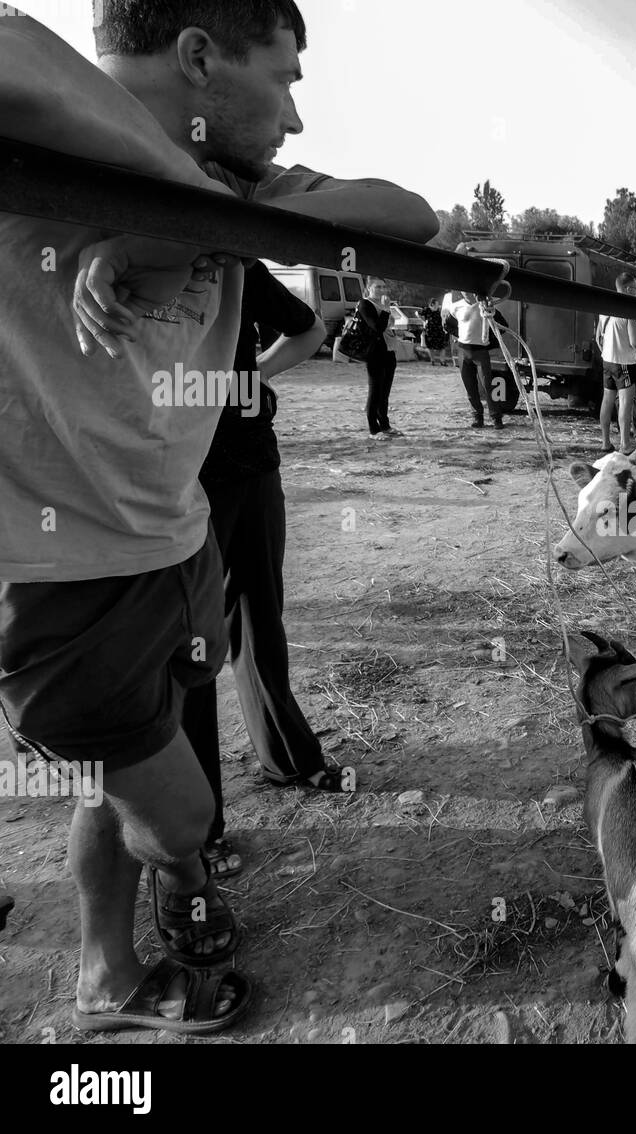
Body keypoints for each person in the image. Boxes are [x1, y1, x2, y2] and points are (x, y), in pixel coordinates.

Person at [0, 1, 438, 1036]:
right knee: (187, 815)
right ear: (197, 57)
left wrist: (188, 207)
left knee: (109, 790)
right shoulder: (29, 83)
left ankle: (108, 975)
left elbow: (416, 218)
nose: (291, 115)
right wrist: (170, 194)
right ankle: (165, 931)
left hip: (175, 535)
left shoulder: (239, 179)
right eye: (281, 78)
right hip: (61, 578)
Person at [180, 260, 346, 883]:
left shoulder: (236, 262)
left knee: (259, 618)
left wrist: (253, 377)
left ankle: (287, 757)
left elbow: (307, 330)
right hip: (182, 477)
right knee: (192, 645)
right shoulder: (143, 253)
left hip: (252, 465)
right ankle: (198, 827)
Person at [444, 288, 508, 428]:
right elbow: (447, 325)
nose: (466, 292)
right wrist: (459, 334)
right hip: (463, 350)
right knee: (470, 387)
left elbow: (503, 326)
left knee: (488, 386)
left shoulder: (484, 306)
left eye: (468, 290)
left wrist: (489, 339)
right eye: (463, 290)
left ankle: (496, 418)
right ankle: (477, 417)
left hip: (480, 352)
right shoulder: (456, 306)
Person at [596, 273, 636, 453]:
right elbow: (635, 343)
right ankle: (625, 445)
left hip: (607, 361)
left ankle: (605, 442)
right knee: (625, 402)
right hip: (624, 362)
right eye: (635, 289)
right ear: (626, 289)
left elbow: (598, 336)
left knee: (607, 400)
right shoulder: (629, 310)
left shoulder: (606, 307)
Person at [358, 278, 400, 439]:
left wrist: (386, 309)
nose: (382, 290)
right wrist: (385, 308)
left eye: (384, 286)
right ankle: (373, 430)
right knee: (375, 391)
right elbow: (377, 327)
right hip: (374, 353)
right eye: (377, 287)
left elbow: (389, 326)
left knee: (385, 392)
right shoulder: (365, 304)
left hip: (389, 351)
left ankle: (385, 425)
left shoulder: (384, 306)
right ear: (369, 288)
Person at [421, 295, 452, 366]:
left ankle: (442, 361)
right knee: (430, 347)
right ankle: (432, 361)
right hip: (430, 331)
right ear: (432, 304)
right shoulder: (427, 310)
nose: (438, 305)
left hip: (440, 331)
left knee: (442, 347)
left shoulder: (440, 310)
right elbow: (418, 313)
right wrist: (423, 320)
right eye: (437, 304)